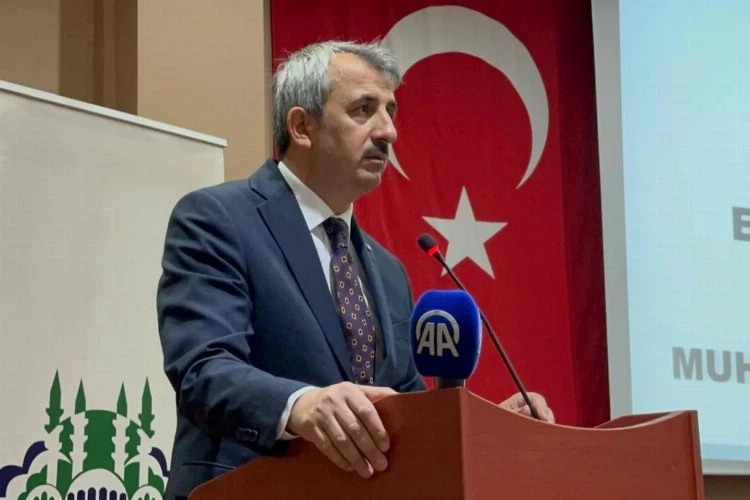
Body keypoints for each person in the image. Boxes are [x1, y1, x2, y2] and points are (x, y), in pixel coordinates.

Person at [156, 40, 553, 500]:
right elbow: (203, 369)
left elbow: (402, 410)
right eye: (364, 110)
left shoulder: (387, 270)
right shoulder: (218, 220)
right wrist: (300, 404)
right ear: (302, 126)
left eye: (391, 111)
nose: (388, 132)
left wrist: (484, 425)